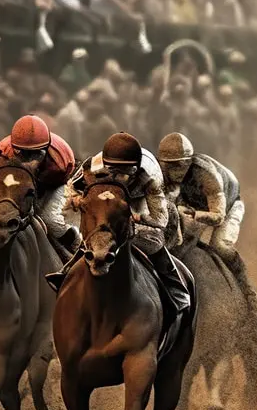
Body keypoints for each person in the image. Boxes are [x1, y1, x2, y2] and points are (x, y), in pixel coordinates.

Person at [49, 132, 190, 313]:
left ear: (136, 168)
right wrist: (77, 200)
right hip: (103, 195)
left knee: (152, 240)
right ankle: (66, 272)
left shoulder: (150, 177)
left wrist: (136, 217)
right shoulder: (91, 168)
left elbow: (160, 219)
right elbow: (70, 190)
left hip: (137, 200)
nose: (121, 177)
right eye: (115, 171)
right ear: (105, 165)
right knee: (94, 231)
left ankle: (175, 287)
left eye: (127, 172)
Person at [157, 132, 257, 309]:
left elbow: (218, 216)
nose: (175, 172)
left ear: (189, 162)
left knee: (220, 245)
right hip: (193, 205)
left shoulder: (205, 174)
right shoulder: (161, 173)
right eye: (170, 166)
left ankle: (248, 290)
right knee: (174, 242)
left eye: (180, 165)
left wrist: (194, 214)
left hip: (227, 207)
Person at [0, 114, 78, 258]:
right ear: (15, 148)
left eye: (36, 154)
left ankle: (75, 247)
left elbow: (61, 184)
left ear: (46, 149)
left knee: (50, 219)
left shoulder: (59, 164)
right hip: (16, 183)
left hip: (52, 185)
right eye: (23, 154)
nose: (29, 160)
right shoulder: (1, 156)